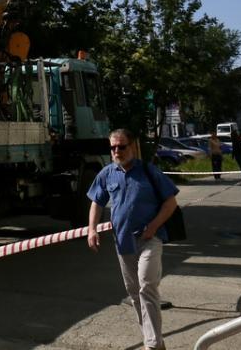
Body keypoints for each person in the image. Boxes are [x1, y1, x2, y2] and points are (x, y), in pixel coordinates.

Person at [88, 129, 178, 350]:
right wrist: (92, 229)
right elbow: (96, 202)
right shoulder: (107, 173)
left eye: (121, 146)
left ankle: (153, 345)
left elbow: (171, 203)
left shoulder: (148, 171)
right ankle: (154, 340)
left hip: (151, 239)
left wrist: (153, 226)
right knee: (135, 293)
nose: (117, 151)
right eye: (113, 147)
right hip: (123, 242)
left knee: (147, 286)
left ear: (132, 147)